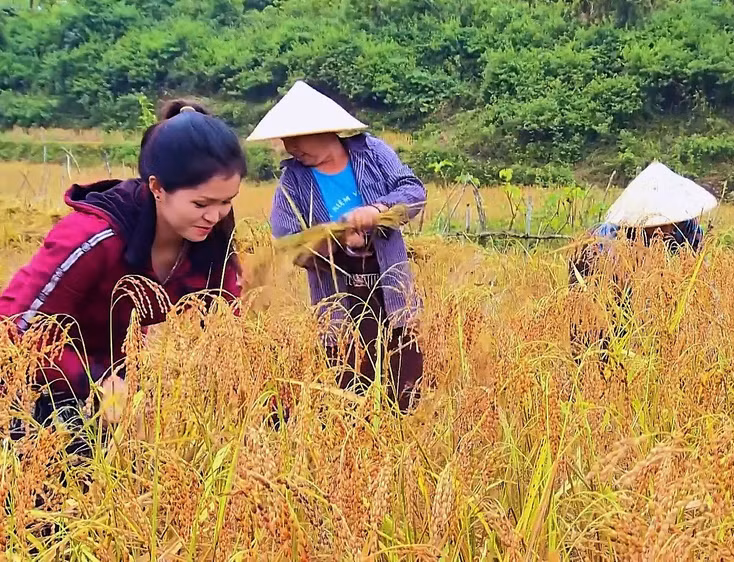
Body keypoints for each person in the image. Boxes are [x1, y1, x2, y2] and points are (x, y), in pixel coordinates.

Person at [1, 100, 246, 437]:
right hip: (36, 383)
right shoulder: (93, 237)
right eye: (201, 203)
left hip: (115, 388)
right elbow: (16, 326)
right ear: (158, 188)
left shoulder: (212, 242)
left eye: (227, 201)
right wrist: (93, 382)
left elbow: (231, 325)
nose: (215, 216)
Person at [247, 81, 426, 412]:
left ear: (322, 130)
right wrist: (337, 240)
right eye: (286, 139)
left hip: (390, 285)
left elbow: (413, 191)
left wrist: (376, 211)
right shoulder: (293, 181)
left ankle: (401, 448)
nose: (290, 146)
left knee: (403, 377)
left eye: (296, 136)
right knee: (350, 382)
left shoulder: (372, 153)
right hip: (337, 295)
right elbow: (288, 243)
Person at [569, 161, 717, 362]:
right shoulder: (609, 239)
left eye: (670, 223)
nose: (667, 232)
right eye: (659, 225)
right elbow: (610, 292)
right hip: (609, 300)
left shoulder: (687, 228)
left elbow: (700, 273)